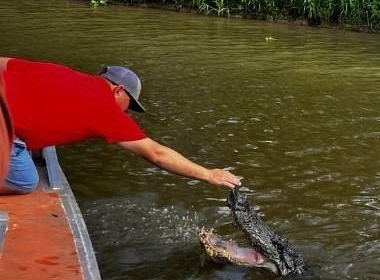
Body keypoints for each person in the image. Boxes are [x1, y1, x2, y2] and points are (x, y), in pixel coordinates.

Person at [0, 57, 241, 194]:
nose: (127, 113)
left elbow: (5, 62)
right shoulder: (105, 108)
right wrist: (208, 174)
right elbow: (156, 154)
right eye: (129, 106)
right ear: (119, 90)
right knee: (24, 181)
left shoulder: (62, 72)